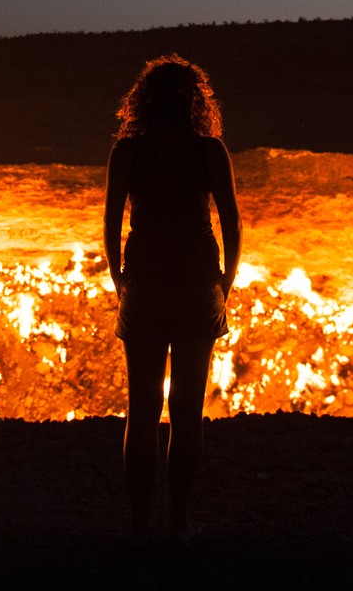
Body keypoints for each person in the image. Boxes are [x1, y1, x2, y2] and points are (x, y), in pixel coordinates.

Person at [102, 54, 241, 542]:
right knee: (187, 412)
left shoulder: (128, 152)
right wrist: (224, 283)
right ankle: (179, 522)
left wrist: (121, 281)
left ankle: (139, 523)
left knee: (141, 410)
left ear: (143, 101)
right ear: (195, 101)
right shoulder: (210, 151)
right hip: (196, 286)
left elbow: (111, 225)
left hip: (143, 285)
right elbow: (231, 222)